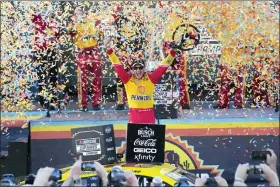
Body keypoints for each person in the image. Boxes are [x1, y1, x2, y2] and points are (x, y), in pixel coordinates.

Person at [106, 41, 177, 124]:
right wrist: (110, 51)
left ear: (144, 68)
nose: (138, 70)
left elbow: (164, 66)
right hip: (134, 117)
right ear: (132, 69)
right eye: (135, 68)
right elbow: (117, 64)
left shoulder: (151, 77)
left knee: (151, 137)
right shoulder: (127, 78)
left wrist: (173, 52)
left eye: (140, 67)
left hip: (149, 116)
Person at [68, 7, 103, 111]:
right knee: (82, 80)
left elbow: (100, 36)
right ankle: (83, 105)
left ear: (85, 13)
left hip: (94, 53)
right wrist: (75, 24)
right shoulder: (73, 24)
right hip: (82, 54)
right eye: (77, 13)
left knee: (97, 79)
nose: (79, 14)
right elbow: (71, 33)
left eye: (81, 12)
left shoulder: (93, 23)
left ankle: (96, 103)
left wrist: (96, 34)